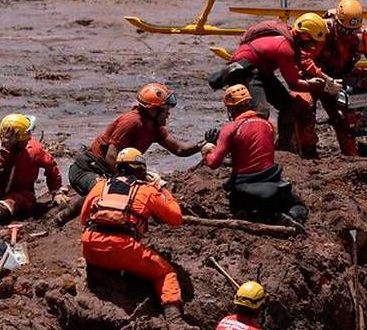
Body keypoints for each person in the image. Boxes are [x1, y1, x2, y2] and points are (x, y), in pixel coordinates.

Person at [79, 148, 196, 330]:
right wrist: (163, 189)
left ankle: (101, 271)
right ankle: (174, 320)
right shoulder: (147, 190)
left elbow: (84, 219)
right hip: (122, 247)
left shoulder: (101, 186)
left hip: (90, 244)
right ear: (141, 170)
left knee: (108, 257)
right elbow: (176, 219)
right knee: (165, 272)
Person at [68, 83, 204, 201]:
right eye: (165, 110)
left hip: (111, 171)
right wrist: (129, 182)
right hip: (89, 169)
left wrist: (202, 145)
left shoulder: (154, 127)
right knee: (104, 193)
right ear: (153, 110)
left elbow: (179, 149)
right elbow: (111, 157)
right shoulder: (132, 122)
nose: (168, 114)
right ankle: (63, 217)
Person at [224, 14, 330, 154]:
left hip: (260, 71)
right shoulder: (285, 48)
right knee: (260, 113)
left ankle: (284, 148)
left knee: (288, 106)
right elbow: (293, 84)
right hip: (245, 71)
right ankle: (238, 151)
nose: (314, 46)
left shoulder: (289, 39)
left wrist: (323, 78)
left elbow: (301, 64)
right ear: (305, 36)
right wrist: (318, 85)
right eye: (313, 42)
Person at [201, 85, 307, 224]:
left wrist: (208, 148)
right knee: (299, 206)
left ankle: (249, 214)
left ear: (231, 108)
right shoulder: (268, 125)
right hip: (272, 185)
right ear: (249, 103)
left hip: (243, 189)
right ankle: (291, 217)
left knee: (241, 208)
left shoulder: (230, 128)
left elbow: (213, 163)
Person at [299, 0, 367, 157]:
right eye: (345, 30)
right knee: (305, 108)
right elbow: (305, 59)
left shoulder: (360, 35)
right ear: (337, 22)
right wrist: (324, 78)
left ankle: (350, 153)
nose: (349, 34)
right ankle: (308, 152)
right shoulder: (323, 31)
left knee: (345, 117)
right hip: (315, 78)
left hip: (340, 79)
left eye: (352, 30)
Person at [0, 113, 65, 226]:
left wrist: (56, 191)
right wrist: (2, 156)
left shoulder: (34, 150)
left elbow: (51, 167)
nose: (29, 138)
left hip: (23, 196)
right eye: (26, 137)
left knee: (15, 200)